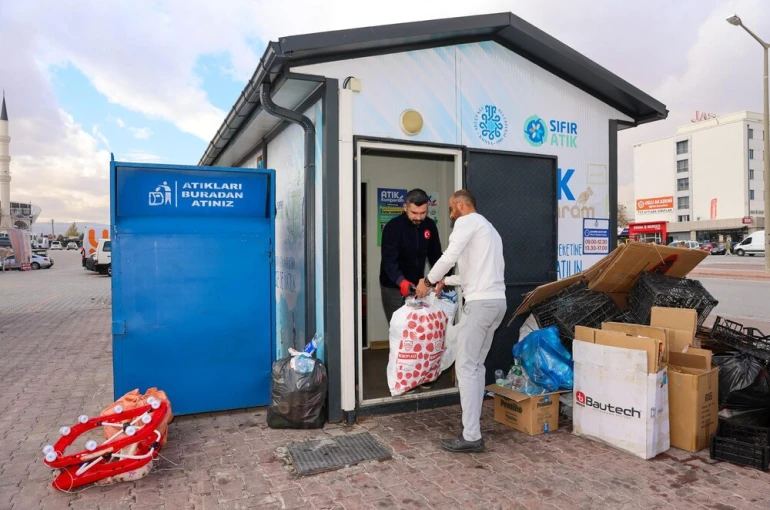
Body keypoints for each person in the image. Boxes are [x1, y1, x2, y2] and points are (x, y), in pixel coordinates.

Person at [415, 189, 506, 453]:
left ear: (461, 205)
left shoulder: (467, 222)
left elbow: (449, 256)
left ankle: (471, 436)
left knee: (466, 368)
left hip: (478, 306)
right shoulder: (490, 230)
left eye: (452, 210)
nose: (451, 215)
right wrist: (447, 281)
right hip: (496, 303)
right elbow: (473, 273)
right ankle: (472, 430)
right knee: (476, 367)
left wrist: (429, 280)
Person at [379, 188, 443, 323]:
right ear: (405, 207)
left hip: (418, 286)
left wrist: (440, 278)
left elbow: (436, 256)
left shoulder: (430, 225)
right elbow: (389, 261)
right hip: (393, 287)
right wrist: (400, 281)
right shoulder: (392, 228)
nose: (418, 217)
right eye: (414, 213)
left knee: (418, 328)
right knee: (399, 327)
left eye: (423, 213)